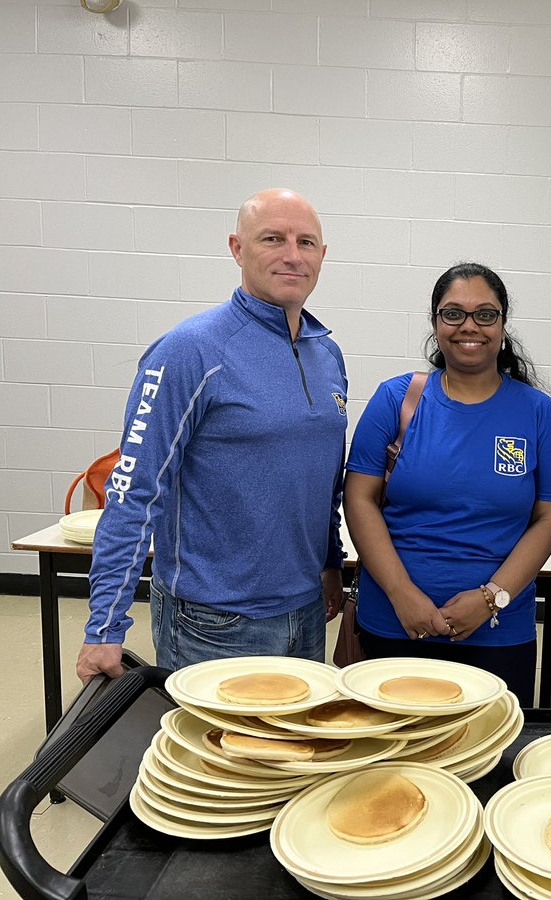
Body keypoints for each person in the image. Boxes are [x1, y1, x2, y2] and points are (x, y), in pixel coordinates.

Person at [76, 188, 349, 682]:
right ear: (237, 249)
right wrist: (104, 626)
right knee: (214, 739)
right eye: (273, 238)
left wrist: (331, 563)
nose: (293, 255)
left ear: (322, 255)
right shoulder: (190, 351)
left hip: (306, 611)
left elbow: (324, 478)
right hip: (214, 622)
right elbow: (134, 491)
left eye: (306, 242)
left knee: (295, 736)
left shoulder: (326, 354)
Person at [345, 263, 551, 707]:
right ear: (435, 323)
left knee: (490, 744)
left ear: (502, 324)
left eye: (485, 314)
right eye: (453, 313)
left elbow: (549, 517)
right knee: (392, 745)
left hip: (498, 632)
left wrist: (491, 598)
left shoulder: (537, 411)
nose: (469, 326)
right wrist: (402, 595)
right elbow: (359, 499)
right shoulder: (396, 399)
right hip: (394, 622)